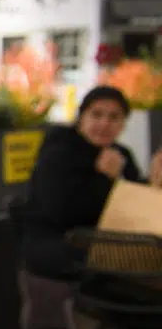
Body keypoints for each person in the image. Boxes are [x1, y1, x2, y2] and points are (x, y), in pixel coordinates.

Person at [18, 85, 162, 282]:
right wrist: (104, 179)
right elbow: (64, 213)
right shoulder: (59, 153)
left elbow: (133, 201)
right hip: (57, 255)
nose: (104, 124)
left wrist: (153, 184)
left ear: (123, 125)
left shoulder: (120, 154)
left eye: (114, 117)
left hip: (109, 253)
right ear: (81, 118)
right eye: (96, 115)